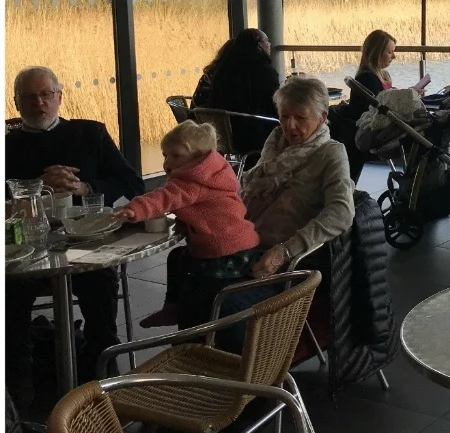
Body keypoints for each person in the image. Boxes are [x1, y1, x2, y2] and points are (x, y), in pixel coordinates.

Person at [5, 65, 144, 404]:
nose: (39, 103)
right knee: (8, 292)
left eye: (46, 95)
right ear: (16, 103)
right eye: (29, 97)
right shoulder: (8, 146)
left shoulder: (90, 134)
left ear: (59, 97)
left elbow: (132, 184)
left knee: (99, 282)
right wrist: (34, 188)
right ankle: (18, 382)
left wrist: (85, 186)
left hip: (88, 243)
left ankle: (102, 370)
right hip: (27, 250)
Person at [113, 120, 260, 330]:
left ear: (197, 157)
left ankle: (191, 325)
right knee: (176, 258)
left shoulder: (191, 182)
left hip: (223, 251)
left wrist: (133, 209)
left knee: (198, 284)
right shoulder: (214, 172)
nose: (167, 162)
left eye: (176, 156)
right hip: (241, 242)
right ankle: (172, 307)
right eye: (165, 155)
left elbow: (164, 197)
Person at [240, 74, 355, 283]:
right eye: (284, 116)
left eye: (300, 118)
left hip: (282, 262)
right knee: (182, 261)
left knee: (211, 294)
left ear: (322, 117)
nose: (290, 126)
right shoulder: (276, 142)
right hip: (244, 243)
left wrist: (283, 252)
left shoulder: (331, 153)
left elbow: (342, 211)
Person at [334, 29, 430, 183]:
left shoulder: (377, 76)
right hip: (369, 134)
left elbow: (385, 100)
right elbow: (381, 107)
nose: (394, 56)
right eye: (390, 52)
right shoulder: (368, 78)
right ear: (377, 52)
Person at [191, 28, 280, 119]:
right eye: (267, 41)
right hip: (255, 128)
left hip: (221, 128)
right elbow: (273, 106)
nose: (270, 44)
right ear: (259, 46)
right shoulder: (267, 73)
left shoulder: (222, 71)